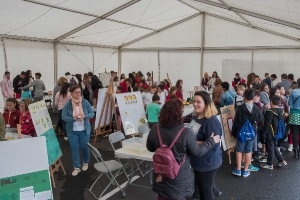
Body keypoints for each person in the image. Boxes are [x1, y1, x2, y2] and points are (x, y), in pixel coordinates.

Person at [146, 98, 220, 200]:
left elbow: (150, 148)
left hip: (161, 176)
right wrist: (210, 141)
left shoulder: (155, 128)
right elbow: (197, 153)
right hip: (180, 181)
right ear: (179, 115)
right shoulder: (185, 133)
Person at [190, 91, 223, 200]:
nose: (195, 104)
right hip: (197, 161)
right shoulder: (196, 116)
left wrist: (191, 141)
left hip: (207, 162)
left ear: (206, 103)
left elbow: (214, 142)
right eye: (194, 101)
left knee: (206, 192)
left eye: (198, 102)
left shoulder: (211, 121)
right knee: (201, 187)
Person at [62, 85, 95, 176]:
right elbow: (64, 117)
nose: (78, 94)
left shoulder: (85, 102)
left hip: (84, 130)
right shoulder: (68, 104)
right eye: (75, 92)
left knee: (85, 147)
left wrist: (85, 116)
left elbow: (92, 113)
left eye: (79, 92)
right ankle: (76, 167)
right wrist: (73, 118)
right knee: (74, 149)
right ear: (71, 93)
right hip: (72, 131)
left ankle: (85, 162)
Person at [232, 89, 264, 177]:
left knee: (239, 150)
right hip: (252, 131)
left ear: (244, 96)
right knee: (248, 150)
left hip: (241, 131)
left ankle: (238, 169)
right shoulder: (256, 108)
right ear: (254, 97)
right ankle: (245, 170)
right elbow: (261, 120)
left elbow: (236, 121)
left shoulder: (240, 108)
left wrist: (234, 132)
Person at [260, 96, 287, 169]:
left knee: (270, 149)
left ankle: (270, 164)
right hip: (278, 132)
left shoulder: (270, 112)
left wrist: (263, 133)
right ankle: (281, 160)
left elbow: (267, 124)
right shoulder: (281, 111)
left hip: (270, 133)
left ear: (271, 102)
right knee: (274, 147)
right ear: (279, 103)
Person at [288, 78, 300, 158]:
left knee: (295, 134)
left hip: (294, 114)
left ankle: (296, 152)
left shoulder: (294, 91)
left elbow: (289, 103)